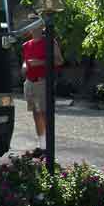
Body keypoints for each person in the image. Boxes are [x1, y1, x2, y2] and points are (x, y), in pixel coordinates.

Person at [22, 15, 64, 154]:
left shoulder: (50, 42)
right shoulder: (26, 45)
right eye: (31, 24)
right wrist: (24, 66)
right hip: (30, 83)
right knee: (36, 115)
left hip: (43, 83)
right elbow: (26, 61)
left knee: (45, 115)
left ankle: (48, 148)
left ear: (42, 26)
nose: (33, 27)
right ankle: (42, 146)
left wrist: (40, 62)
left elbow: (59, 61)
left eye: (36, 24)